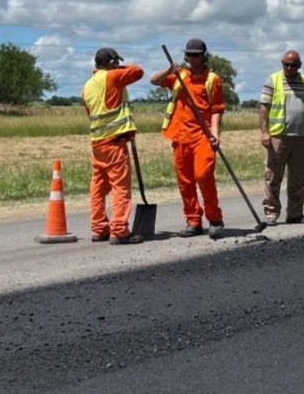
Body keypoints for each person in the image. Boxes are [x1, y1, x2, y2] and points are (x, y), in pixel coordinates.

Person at [150, 38, 226, 238]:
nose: (192, 58)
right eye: (189, 54)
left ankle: (215, 218)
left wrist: (215, 133)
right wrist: (169, 71)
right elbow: (154, 81)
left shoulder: (213, 79)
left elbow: (217, 109)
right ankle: (193, 221)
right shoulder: (179, 75)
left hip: (203, 136)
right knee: (185, 181)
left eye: (196, 54)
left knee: (203, 175)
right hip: (180, 136)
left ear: (203, 55)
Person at [83, 47, 146, 244]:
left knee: (98, 188)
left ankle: (99, 228)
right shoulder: (111, 78)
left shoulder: (87, 86)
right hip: (114, 143)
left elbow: (91, 113)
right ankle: (119, 230)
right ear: (111, 63)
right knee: (120, 187)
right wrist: (117, 68)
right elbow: (138, 71)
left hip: (97, 143)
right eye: (116, 62)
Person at [258, 49, 304, 225]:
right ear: (282, 63)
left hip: (300, 136)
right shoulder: (274, 79)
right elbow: (264, 107)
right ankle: (271, 213)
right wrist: (265, 132)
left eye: (293, 65)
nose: (289, 68)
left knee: (298, 177)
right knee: (273, 175)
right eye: (286, 64)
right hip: (279, 136)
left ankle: (295, 213)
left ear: (299, 65)